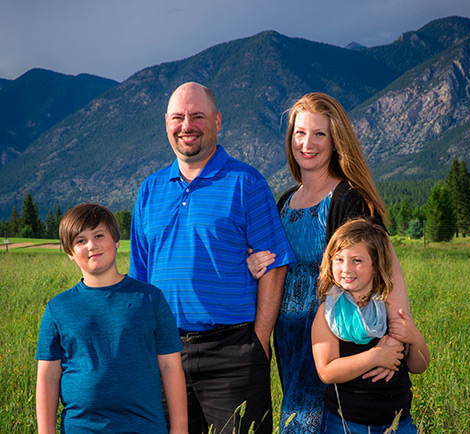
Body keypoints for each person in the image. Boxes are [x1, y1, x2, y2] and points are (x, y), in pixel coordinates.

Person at [129, 82, 295, 434]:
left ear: (217, 121)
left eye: (197, 116)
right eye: (178, 117)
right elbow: (140, 278)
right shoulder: (149, 190)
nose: (186, 125)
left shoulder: (246, 182)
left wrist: (258, 343)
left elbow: (275, 265)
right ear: (166, 123)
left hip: (232, 353)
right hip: (165, 353)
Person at [246, 92, 411, 433]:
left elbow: (388, 269)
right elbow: (274, 270)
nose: (308, 143)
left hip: (336, 337)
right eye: (300, 133)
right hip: (291, 342)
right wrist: (253, 266)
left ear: (337, 141)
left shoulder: (349, 200)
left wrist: (394, 341)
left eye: (319, 134)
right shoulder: (283, 203)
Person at [35, 203, 187, 434]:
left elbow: (170, 367)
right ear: (69, 253)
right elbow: (48, 377)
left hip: (144, 427)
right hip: (81, 427)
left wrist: (180, 429)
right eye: (80, 241)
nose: (92, 246)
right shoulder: (58, 308)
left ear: (116, 241)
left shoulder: (150, 298)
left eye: (99, 235)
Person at [311, 218, 430, 433]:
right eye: (338, 259)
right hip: (346, 422)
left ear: (376, 265)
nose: (346, 268)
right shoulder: (328, 313)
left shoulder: (390, 308)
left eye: (357, 260)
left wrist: (415, 338)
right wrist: (375, 356)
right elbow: (326, 371)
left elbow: (419, 366)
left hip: (398, 422)